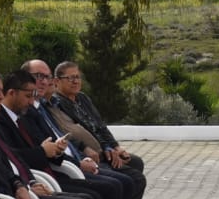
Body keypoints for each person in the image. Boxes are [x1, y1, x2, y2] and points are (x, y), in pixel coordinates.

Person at [19, 61, 142, 199]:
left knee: (133, 167)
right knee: (119, 184)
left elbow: (98, 126)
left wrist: (112, 146)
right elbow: (63, 137)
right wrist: (81, 158)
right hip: (61, 168)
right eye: (39, 77)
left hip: (79, 157)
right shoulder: (45, 107)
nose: (45, 82)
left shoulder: (75, 100)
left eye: (77, 77)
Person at [47, 61, 146, 190]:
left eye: (77, 77)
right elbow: (75, 132)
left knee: (135, 162)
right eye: (70, 78)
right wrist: (105, 148)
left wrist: (115, 147)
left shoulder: (82, 98)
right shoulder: (57, 103)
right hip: (89, 153)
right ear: (57, 81)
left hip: (104, 149)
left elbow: (100, 126)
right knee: (134, 179)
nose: (75, 81)